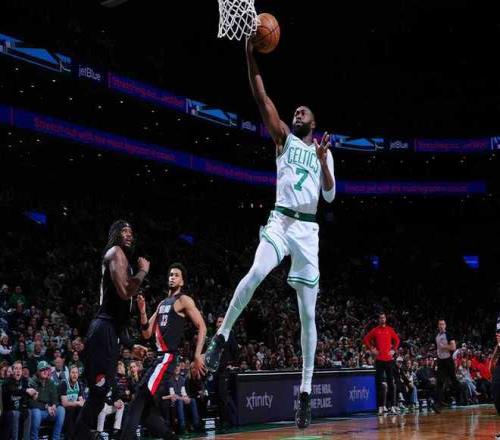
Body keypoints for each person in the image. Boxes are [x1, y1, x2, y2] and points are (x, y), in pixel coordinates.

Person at [204, 36, 336, 430]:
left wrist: (322, 162)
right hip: (280, 220)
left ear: (314, 122)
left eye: (303, 110)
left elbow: (330, 194)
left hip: (307, 230)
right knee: (256, 272)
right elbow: (261, 97)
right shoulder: (282, 137)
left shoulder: (324, 151)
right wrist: (249, 55)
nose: (297, 112)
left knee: (307, 314)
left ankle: (306, 393)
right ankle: (222, 336)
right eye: (295, 110)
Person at [75, 220, 150, 439]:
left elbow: (119, 316)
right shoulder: (115, 252)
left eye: (131, 231)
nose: (129, 235)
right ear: (115, 234)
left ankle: (80, 435)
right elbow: (126, 291)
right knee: (98, 393)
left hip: (110, 331)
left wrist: (129, 345)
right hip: (102, 331)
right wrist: (143, 271)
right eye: (124, 231)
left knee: (99, 396)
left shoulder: (123, 260)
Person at [120, 263, 207, 440]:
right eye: (170, 274)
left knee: (138, 399)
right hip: (158, 359)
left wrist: (197, 355)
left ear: (182, 281)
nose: (172, 277)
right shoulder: (161, 304)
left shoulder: (183, 300)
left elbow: (202, 326)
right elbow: (146, 333)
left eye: (176, 275)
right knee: (146, 412)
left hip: (167, 358)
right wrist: (142, 311)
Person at [362, 313, 400, 415]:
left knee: (391, 383)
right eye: (381, 318)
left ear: (385, 319)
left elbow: (397, 340)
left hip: (389, 360)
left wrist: (394, 350)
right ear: (379, 319)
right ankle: (381, 407)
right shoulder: (375, 330)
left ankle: (393, 406)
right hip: (379, 360)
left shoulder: (390, 329)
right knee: (379, 383)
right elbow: (366, 339)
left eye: (384, 317)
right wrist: (372, 349)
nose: (382, 319)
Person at [29, 360, 66, 440]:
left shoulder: (50, 382)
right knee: (36, 412)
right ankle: (34, 438)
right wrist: (46, 407)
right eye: (42, 370)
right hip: (39, 411)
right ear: (38, 371)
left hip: (49, 411)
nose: (45, 371)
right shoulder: (32, 382)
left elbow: (55, 398)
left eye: (46, 369)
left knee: (61, 410)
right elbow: (32, 403)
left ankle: (55, 438)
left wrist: (54, 405)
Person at [2, 360, 37, 440]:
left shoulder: (24, 381)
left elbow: (28, 395)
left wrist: (34, 394)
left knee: (28, 411)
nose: (18, 371)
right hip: (9, 411)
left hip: (20, 409)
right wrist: (26, 391)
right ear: (12, 371)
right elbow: (13, 390)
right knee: (16, 413)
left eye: (20, 369)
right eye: (16, 368)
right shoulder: (7, 381)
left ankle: (26, 438)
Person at [435, 319, 461, 408]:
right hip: (440, 361)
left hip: (448, 360)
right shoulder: (437, 336)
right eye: (440, 324)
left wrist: (444, 346)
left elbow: (453, 347)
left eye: (443, 324)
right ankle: (438, 403)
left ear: (445, 325)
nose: (441, 326)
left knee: (453, 380)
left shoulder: (448, 334)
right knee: (439, 382)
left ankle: (460, 395)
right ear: (438, 326)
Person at [59, 365, 85, 439]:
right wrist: (77, 403)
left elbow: (81, 400)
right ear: (69, 374)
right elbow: (64, 403)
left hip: (74, 409)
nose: (74, 375)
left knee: (83, 411)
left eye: (76, 373)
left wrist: (81, 403)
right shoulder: (64, 384)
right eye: (73, 372)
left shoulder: (78, 384)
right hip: (64, 409)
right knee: (71, 412)